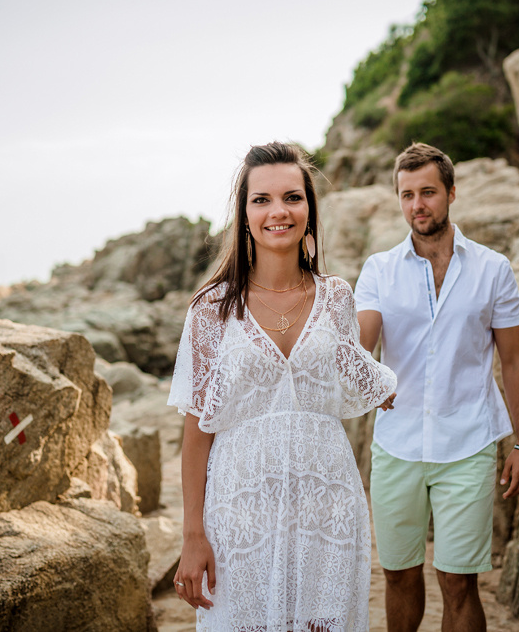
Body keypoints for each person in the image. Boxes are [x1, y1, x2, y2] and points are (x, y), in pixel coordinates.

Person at [168, 141, 397, 631]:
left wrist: (383, 387)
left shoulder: (336, 297)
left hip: (327, 509)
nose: (279, 211)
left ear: (309, 209)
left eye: (292, 197)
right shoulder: (212, 309)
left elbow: (351, 366)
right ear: (244, 215)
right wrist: (192, 534)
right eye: (262, 200)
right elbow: (197, 430)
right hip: (240, 513)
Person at [354, 142, 519, 632]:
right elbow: (363, 342)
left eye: (428, 192)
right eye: (407, 194)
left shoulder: (493, 269)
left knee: (458, 582)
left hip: (468, 442)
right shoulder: (378, 270)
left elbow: (516, 359)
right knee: (398, 574)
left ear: (451, 193)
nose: (418, 205)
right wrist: (369, 377)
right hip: (397, 444)